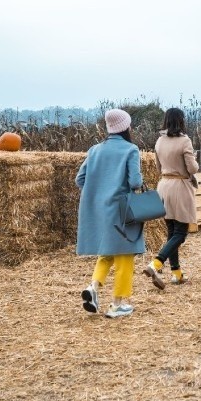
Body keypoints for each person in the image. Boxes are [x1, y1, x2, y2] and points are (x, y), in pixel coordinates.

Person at [75, 108, 144, 318]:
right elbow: (135, 182)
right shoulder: (131, 150)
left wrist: (99, 190)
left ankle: (94, 287)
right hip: (121, 209)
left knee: (107, 252)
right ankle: (117, 304)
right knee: (125, 254)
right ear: (125, 127)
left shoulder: (94, 150)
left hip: (100, 210)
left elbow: (80, 180)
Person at [143, 107, 199, 289]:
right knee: (181, 234)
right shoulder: (185, 141)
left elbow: (159, 169)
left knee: (171, 231)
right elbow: (193, 169)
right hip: (180, 187)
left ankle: (176, 274)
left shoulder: (159, 141)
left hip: (164, 186)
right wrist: (194, 160)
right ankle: (156, 263)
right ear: (181, 121)